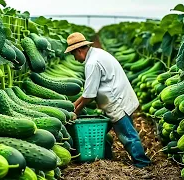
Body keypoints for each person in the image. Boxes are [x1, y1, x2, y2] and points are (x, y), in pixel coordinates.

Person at [64, 32, 151, 168]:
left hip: (118, 102)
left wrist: (76, 110)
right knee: (101, 131)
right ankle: (107, 156)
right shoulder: (98, 54)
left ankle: (143, 163)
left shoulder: (92, 63)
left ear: (79, 50)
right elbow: (88, 92)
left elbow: (89, 95)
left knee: (128, 136)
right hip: (117, 99)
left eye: (73, 54)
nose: (75, 59)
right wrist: (73, 107)